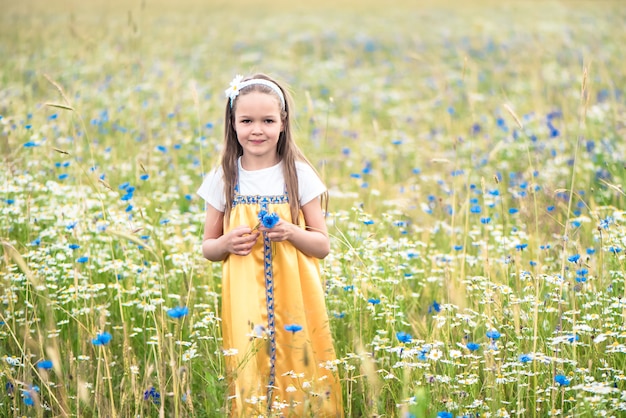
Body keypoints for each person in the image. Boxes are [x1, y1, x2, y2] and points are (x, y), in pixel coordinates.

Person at [197, 73, 343, 417]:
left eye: (267, 120)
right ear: (232, 124)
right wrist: (226, 243)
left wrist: (292, 232)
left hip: (297, 294)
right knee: (250, 358)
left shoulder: (299, 175)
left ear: (283, 123)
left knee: (301, 354)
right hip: (244, 294)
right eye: (246, 121)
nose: (256, 129)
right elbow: (208, 247)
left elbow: (322, 245)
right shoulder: (224, 177)